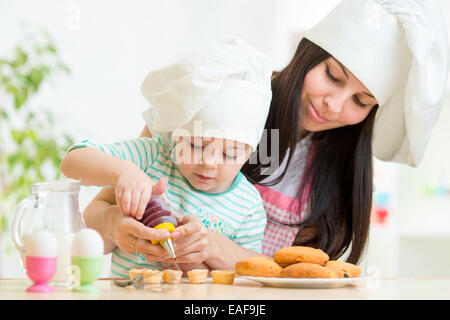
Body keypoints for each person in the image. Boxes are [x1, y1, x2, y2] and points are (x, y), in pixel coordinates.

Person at [81, 0, 449, 270]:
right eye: (333, 76)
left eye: (360, 100)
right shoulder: (220, 96)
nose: (334, 105)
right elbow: (96, 218)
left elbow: (294, 277)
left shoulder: (338, 168)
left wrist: (218, 249)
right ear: (308, 52)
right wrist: (114, 224)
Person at [60, 39, 273, 277]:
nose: (209, 162)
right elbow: (72, 162)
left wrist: (198, 256)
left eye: (229, 153)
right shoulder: (154, 155)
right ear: (175, 135)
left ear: (249, 154)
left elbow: (252, 275)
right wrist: (125, 172)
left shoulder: (248, 206)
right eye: (195, 144)